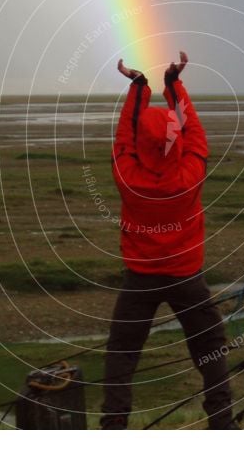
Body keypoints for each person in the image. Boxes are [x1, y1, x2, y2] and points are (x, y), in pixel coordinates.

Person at [99, 51, 234, 430]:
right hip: (187, 276)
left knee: (121, 355)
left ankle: (113, 429)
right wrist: (173, 85)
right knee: (210, 349)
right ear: (176, 138)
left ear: (142, 139)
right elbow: (195, 133)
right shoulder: (190, 172)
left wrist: (137, 88)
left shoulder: (127, 174)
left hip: (139, 277)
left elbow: (124, 137)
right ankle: (223, 425)